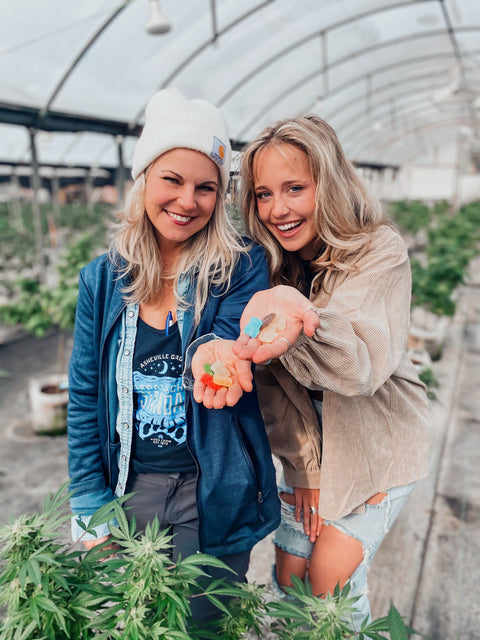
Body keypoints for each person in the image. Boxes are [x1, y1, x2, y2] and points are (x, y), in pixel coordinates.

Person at [194, 114, 430, 631]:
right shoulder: (267, 265)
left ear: (329, 182)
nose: (278, 209)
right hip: (313, 452)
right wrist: (306, 472)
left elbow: (360, 362)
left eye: (295, 188)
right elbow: (276, 393)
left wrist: (300, 321)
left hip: (375, 446)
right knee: (289, 575)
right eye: (262, 194)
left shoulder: (378, 251)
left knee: (327, 589)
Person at [67, 88, 280, 626]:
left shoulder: (240, 267)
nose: (188, 200)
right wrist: (90, 506)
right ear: (143, 182)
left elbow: (232, 337)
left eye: (206, 187)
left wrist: (223, 353)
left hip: (211, 493)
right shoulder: (102, 279)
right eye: (173, 180)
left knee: (203, 626)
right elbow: (86, 395)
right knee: (134, 623)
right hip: (128, 487)